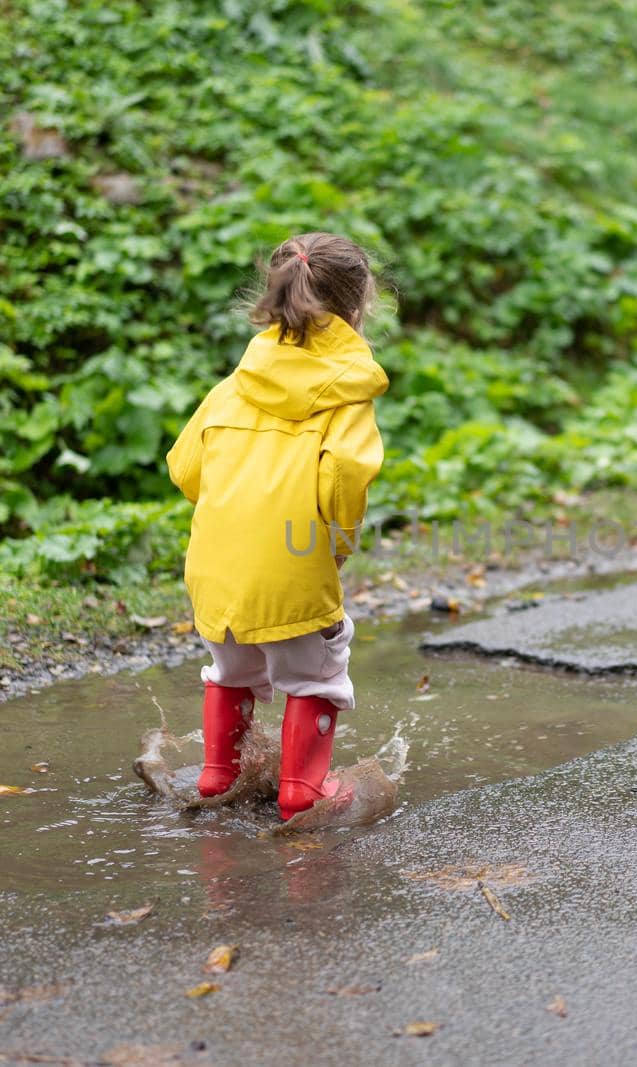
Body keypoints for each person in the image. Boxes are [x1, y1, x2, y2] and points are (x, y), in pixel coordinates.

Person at [165, 232, 386, 819]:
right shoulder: (345, 393)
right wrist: (337, 543)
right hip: (293, 564)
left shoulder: (233, 386)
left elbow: (185, 468)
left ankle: (218, 775)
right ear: (359, 306)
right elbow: (342, 476)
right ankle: (302, 792)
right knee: (316, 673)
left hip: (214, 568)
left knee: (230, 666)